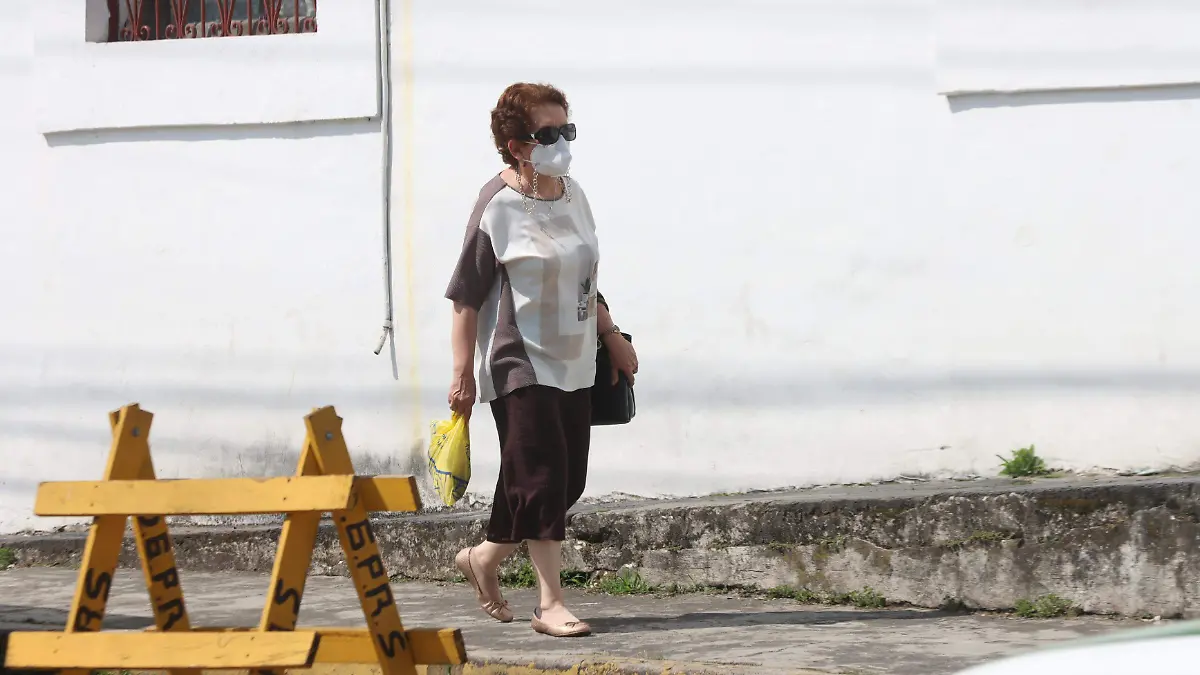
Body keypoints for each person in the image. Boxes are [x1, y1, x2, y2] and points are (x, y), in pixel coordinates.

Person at [443, 82, 638, 637]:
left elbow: (586, 277)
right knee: (542, 478)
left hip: (576, 358)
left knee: (563, 480)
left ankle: (483, 558)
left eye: (566, 130)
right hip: (519, 362)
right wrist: (462, 376)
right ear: (516, 145)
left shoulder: (575, 195)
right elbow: (465, 298)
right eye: (548, 134)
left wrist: (611, 335)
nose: (562, 143)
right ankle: (550, 604)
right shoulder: (496, 206)